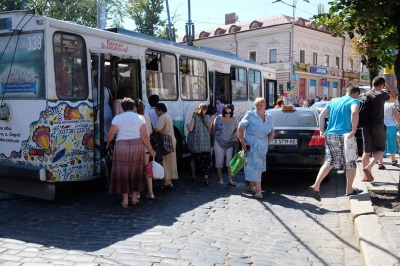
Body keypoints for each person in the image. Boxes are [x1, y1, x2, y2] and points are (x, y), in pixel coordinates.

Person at [308, 86, 362, 201]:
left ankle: (316, 186)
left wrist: (322, 130)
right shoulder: (354, 101)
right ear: (356, 94)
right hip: (346, 135)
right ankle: (349, 189)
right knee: (350, 161)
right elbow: (354, 112)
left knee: (330, 161)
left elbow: (322, 115)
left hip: (330, 134)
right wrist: (353, 129)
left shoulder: (334, 101)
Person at [106, 98, 156, 208]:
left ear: (123, 108)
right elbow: (144, 136)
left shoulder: (117, 118)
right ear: (134, 107)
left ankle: (125, 200)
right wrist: (151, 150)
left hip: (121, 146)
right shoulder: (140, 118)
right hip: (137, 145)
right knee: (136, 171)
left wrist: (108, 144)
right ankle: (134, 198)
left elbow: (110, 135)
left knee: (123, 172)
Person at [238, 97, 275, 199]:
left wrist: (272, 134)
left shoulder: (269, 117)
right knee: (257, 168)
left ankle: (251, 186)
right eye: (257, 105)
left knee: (256, 168)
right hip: (251, 146)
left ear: (264, 106)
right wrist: (242, 142)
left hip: (263, 147)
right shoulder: (250, 115)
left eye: (260, 105)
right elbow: (240, 127)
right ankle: (258, 191)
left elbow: (271, 130)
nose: (258, 107)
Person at [361, 76, 395, 182]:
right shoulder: (382, 95)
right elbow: (394, 98)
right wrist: (388, 87)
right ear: (381, 85)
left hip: (366, 126)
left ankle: (365, 177)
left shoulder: (365, 94)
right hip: (378, 126)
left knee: (366, 151)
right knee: (380, 149)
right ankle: (369, 167)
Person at [187, 103, 213, 185]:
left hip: (196, 144)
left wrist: (188, 126)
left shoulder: (195, 117)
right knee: (205, 161)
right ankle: (205, 175)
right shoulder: (209, 118)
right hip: (205, 143)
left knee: (193, 159)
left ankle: (194, 176)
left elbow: (190, 129)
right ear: (206, 110)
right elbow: (210, 130)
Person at [213, 104, 238, 186]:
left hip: (230, 143)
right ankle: (220, 179)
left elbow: (237, 128)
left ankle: (230, 180)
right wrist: (213, 141)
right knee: (219, 162)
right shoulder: (218, 118)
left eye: (230, 113)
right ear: (223, 112)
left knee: (229, 162)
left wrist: (235, 134)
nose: (228, 115)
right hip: (218, 142)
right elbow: (213, 129)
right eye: (226, 113)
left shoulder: (234, 118)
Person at [154, 103, 178, 189]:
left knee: (164, 161)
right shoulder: (168, 116)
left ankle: (167, 181)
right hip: (171, 140)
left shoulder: (162, 117)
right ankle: (168, 181)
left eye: (156, 110)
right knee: (170, 161)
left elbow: (157, 129)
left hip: (165, 142)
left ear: (161, 110)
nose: (156, 112)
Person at [135, 99, 155, 199]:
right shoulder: (146, 115)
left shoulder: (135, 117)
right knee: (147, 169)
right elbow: (150, 131)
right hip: (147, 146)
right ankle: (151, 192)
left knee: (138, 169)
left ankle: (137, 193)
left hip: (137, 145)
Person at [379, 93, 400, 169]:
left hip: (380, 125)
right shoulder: (392, 104)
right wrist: (399, 124)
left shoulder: (380, 104)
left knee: (381, 143)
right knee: (391, 142)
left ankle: (380, 162)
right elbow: (396, 115)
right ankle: (393, 160)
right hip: (391, 125)